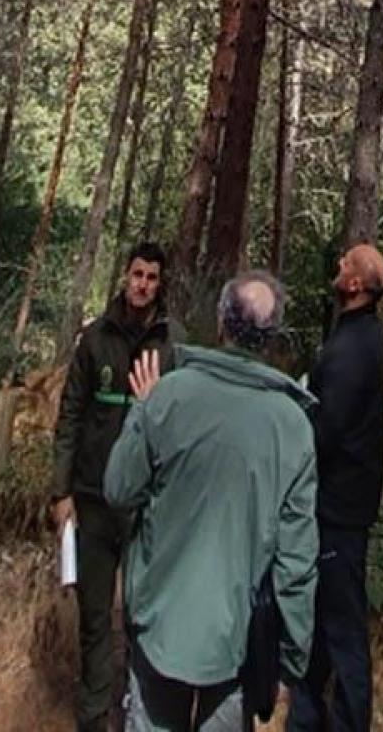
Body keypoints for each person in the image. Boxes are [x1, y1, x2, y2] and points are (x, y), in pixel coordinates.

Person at [105, 271, 318, 732]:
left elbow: (119, 488)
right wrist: (291, 661)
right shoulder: (293, 426)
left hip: (158, 624)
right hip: (235, 642)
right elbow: (297, 562)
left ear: (222, 323)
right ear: (271, 339)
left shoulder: (170, 395)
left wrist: (143, 409)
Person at [48, 242, 179, 732]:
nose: (143, 284)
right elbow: (70, 417)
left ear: (160, 284)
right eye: (137, 274)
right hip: (94, 499)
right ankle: (93, 714)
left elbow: (178, 425)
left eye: (152, 277)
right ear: (125, 277)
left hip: (145, 506)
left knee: (144, 617)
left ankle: (139, 713)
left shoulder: (171, 347)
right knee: (95, 616)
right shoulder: (95, 340)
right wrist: (61, 492)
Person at [287, 245, 383, 732]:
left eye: (345, 263)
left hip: (339, 512)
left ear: (355, 285)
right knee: (321, 630)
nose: (337, 267)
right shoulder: (353, 336)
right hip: (335, 506)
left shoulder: (353, 347)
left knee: (343, 633)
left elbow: (327, 428)